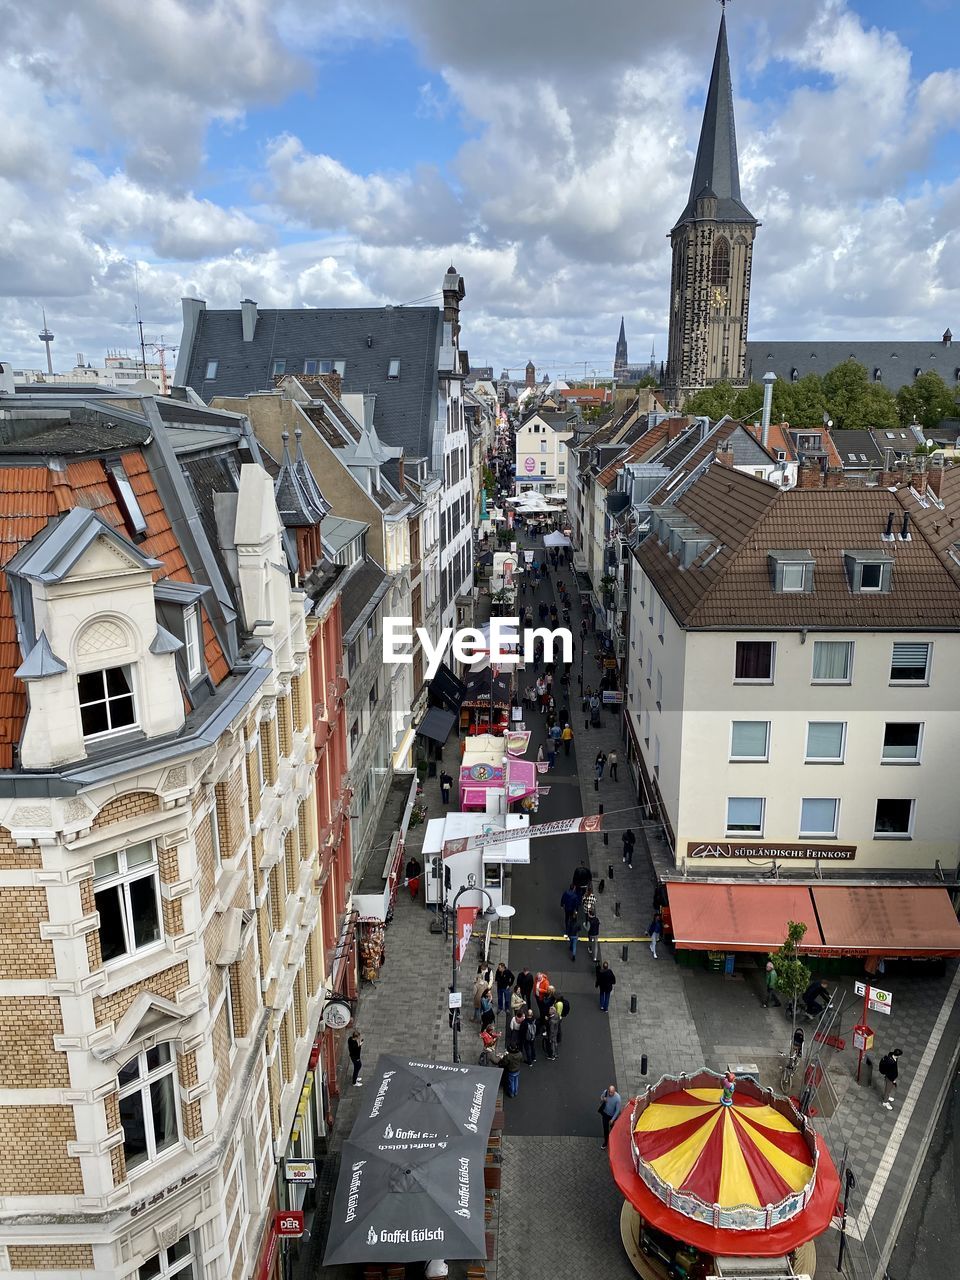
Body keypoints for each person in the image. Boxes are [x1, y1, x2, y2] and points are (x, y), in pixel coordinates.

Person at [599, 1084, 622, 1149]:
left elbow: (617, 1111)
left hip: (612, 1116)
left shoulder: (618, 1098)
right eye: (609, 1091)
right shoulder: (605, 1092)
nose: (609, 1093)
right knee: (605, 1129)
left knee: (613, 1130)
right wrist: (603, 1099)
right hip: (605, 1114)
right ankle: (606, 1142)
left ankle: (613, 1141)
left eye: (611, 1092)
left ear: (614, 1092)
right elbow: (601, 1098)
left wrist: (612, 1119)